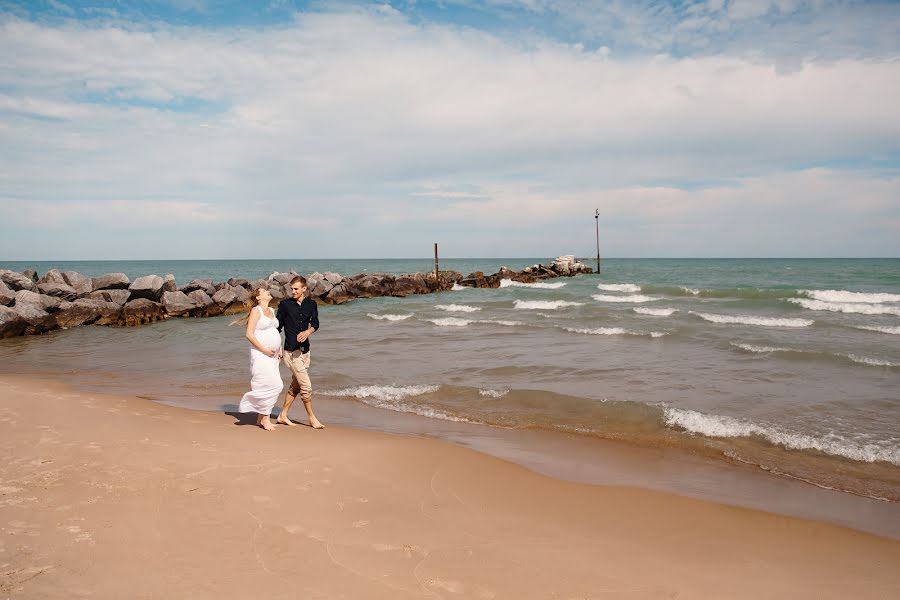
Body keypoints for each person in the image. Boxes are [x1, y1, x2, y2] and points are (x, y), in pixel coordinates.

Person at [275, 275, 324, 429]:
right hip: (291, 352)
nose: (293, 291)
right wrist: (277, 349)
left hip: (306, 351)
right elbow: (278, 328)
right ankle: (312, 418)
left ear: (304, 289)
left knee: (296, 386)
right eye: (292, 289)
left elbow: (315, 323)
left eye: (296, 289)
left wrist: (308, 332)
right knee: (306, 386)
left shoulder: (311, 304)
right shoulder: (284, 305)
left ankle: (282, 415)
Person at [233, 288, 284, 431]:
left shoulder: (272, 311)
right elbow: (249, 335)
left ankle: (260, 418)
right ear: (258, 297)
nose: (268, 291)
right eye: (264, 291)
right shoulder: (256, 311)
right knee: (274, 385)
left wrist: (279, 348)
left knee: (268, 384)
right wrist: (265, 350)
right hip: (261, 354)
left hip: (273, 356)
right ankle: (265, 419)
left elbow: (275, 332)